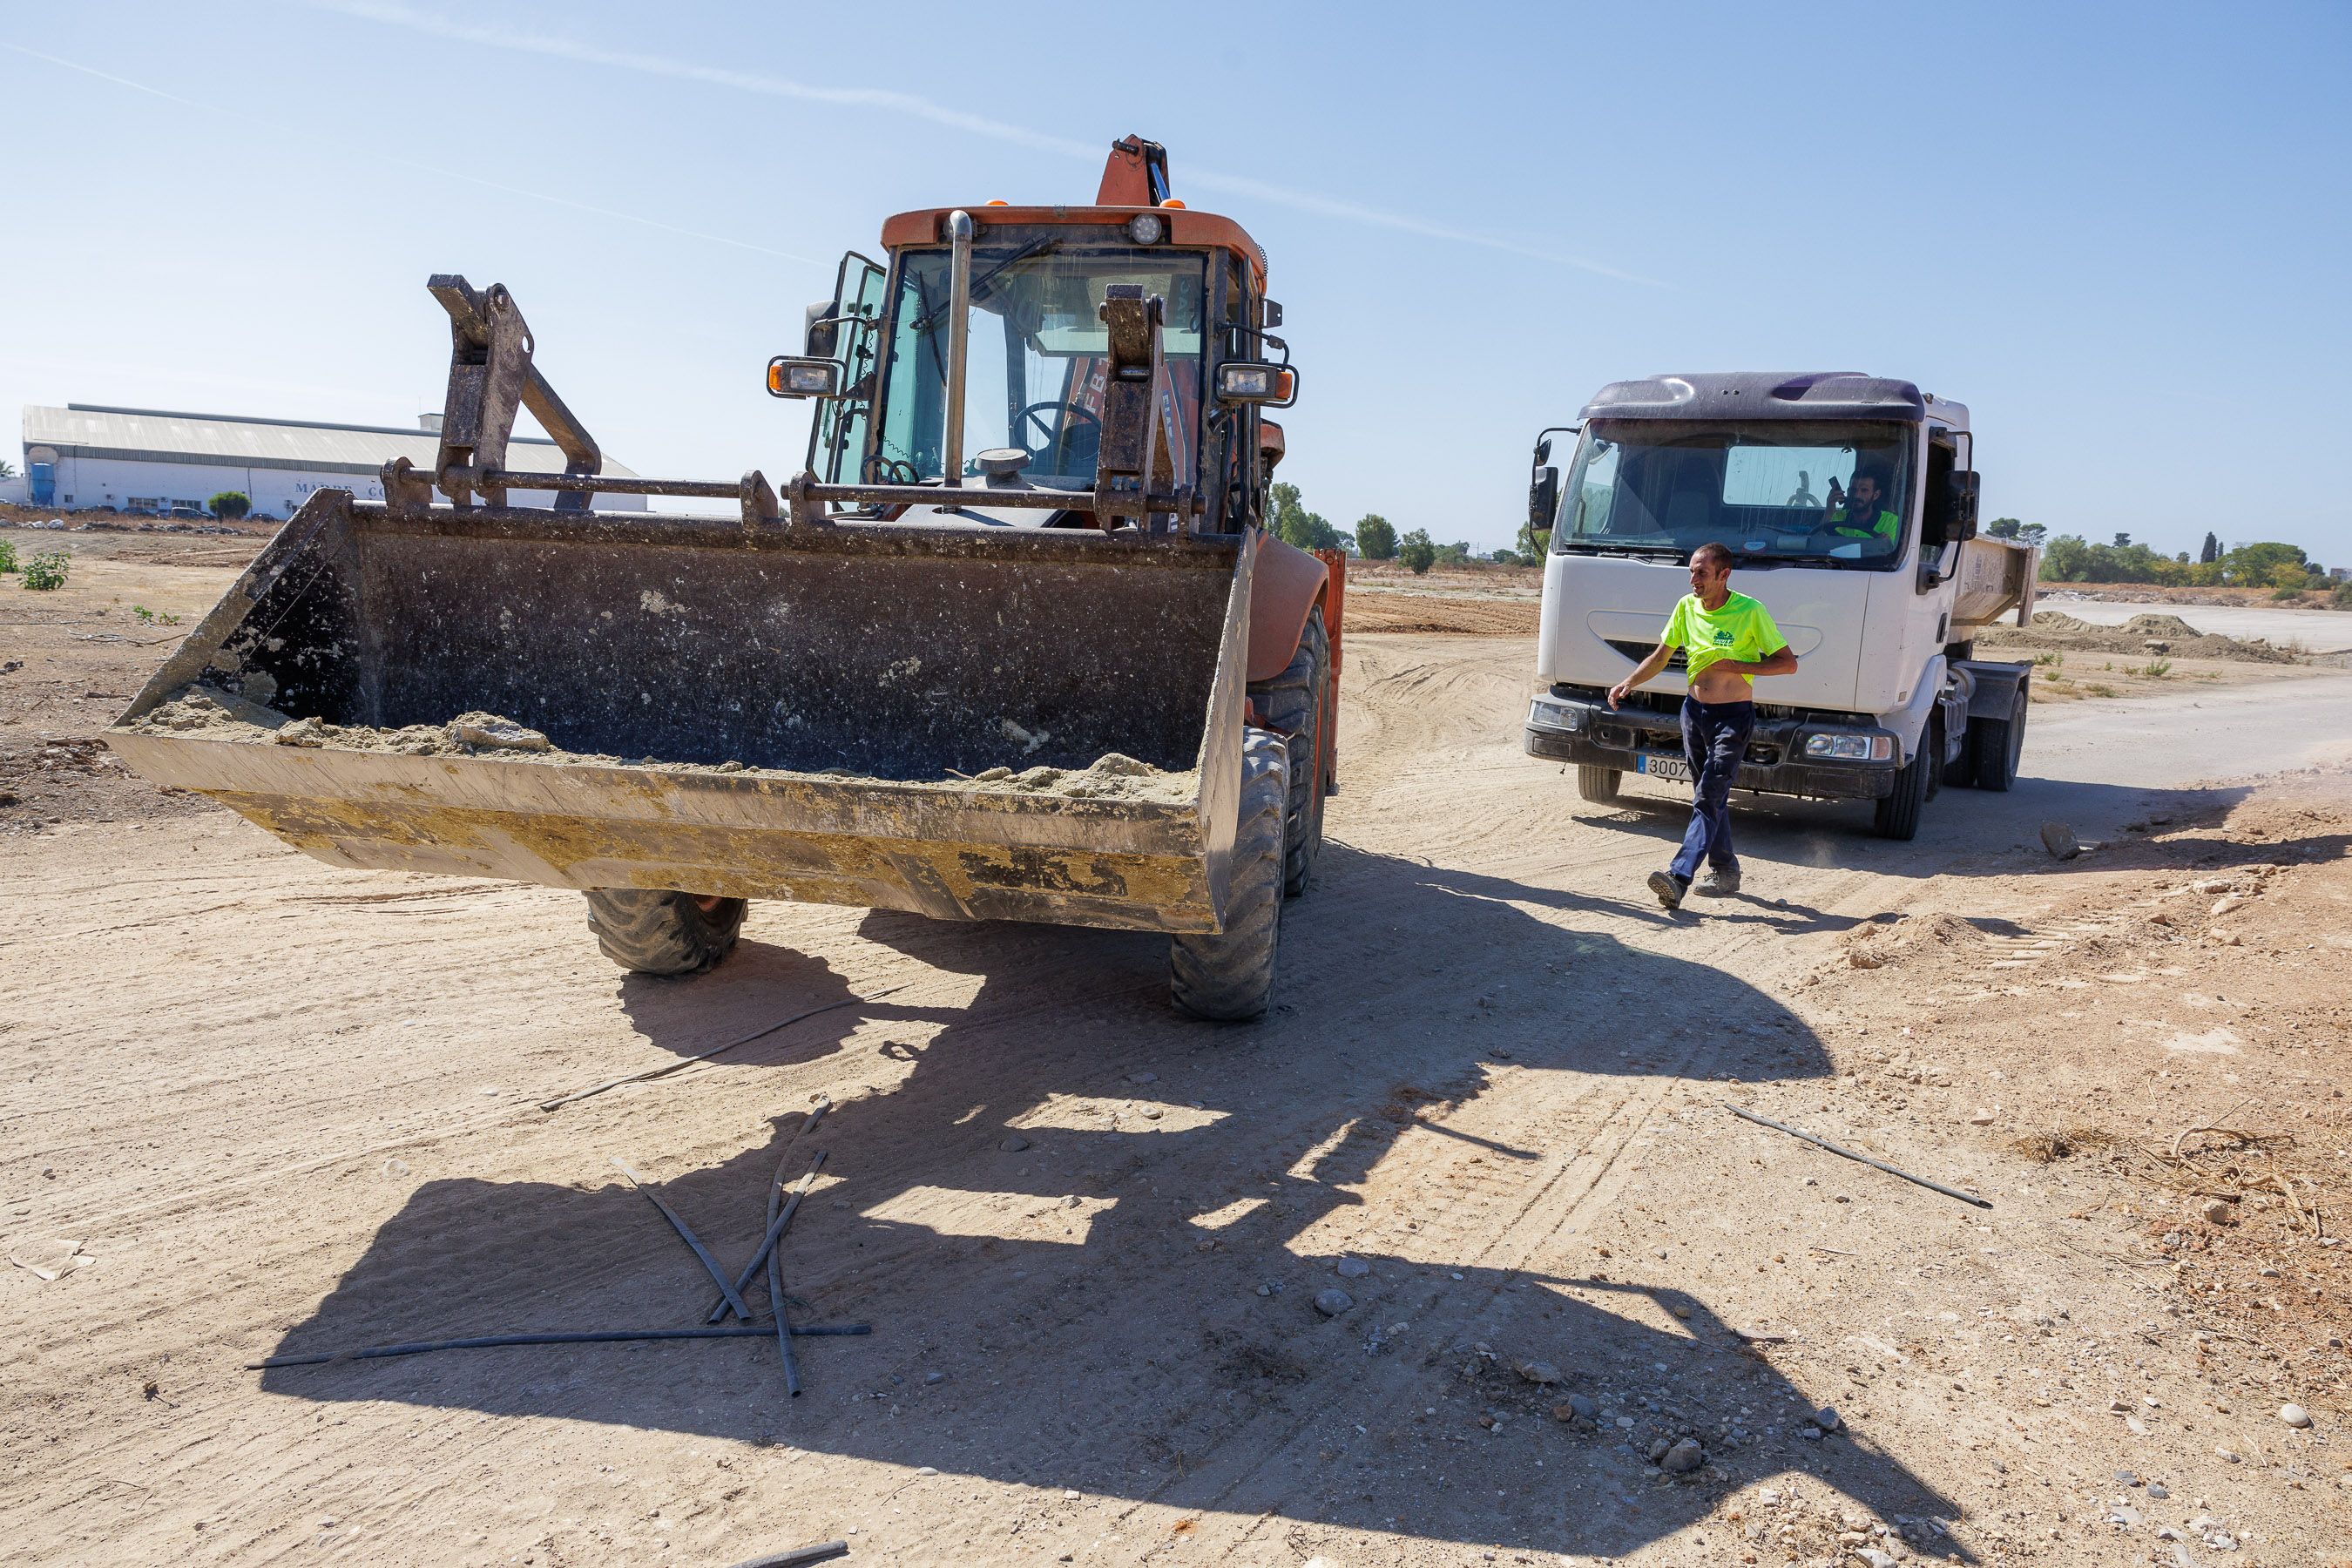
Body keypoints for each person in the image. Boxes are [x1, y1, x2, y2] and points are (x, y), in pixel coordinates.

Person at [1607, 543, 1798, 909]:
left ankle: (1679, 877)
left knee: (1709, 795)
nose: (1693, 579)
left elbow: (1787, 664)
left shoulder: (1750, 610)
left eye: (1701, 573)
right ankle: (1726, 869)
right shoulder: (1685, 607)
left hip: (1733, 718)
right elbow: (1661, 655)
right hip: (1693, 714)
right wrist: (1629, 682)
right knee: (1709, 796)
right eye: (1692, 571)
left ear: (1724, 575)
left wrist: (1736, 665)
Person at [1822, 470, 1899, 545]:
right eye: (1853, 490)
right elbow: (1818, 543)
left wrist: (1884, 545)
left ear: (1876, 495)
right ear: (1848, 491)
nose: (1857, 495)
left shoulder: (1892, 522)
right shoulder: (1836, 517)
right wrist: (1829, 510)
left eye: (1864, 490)